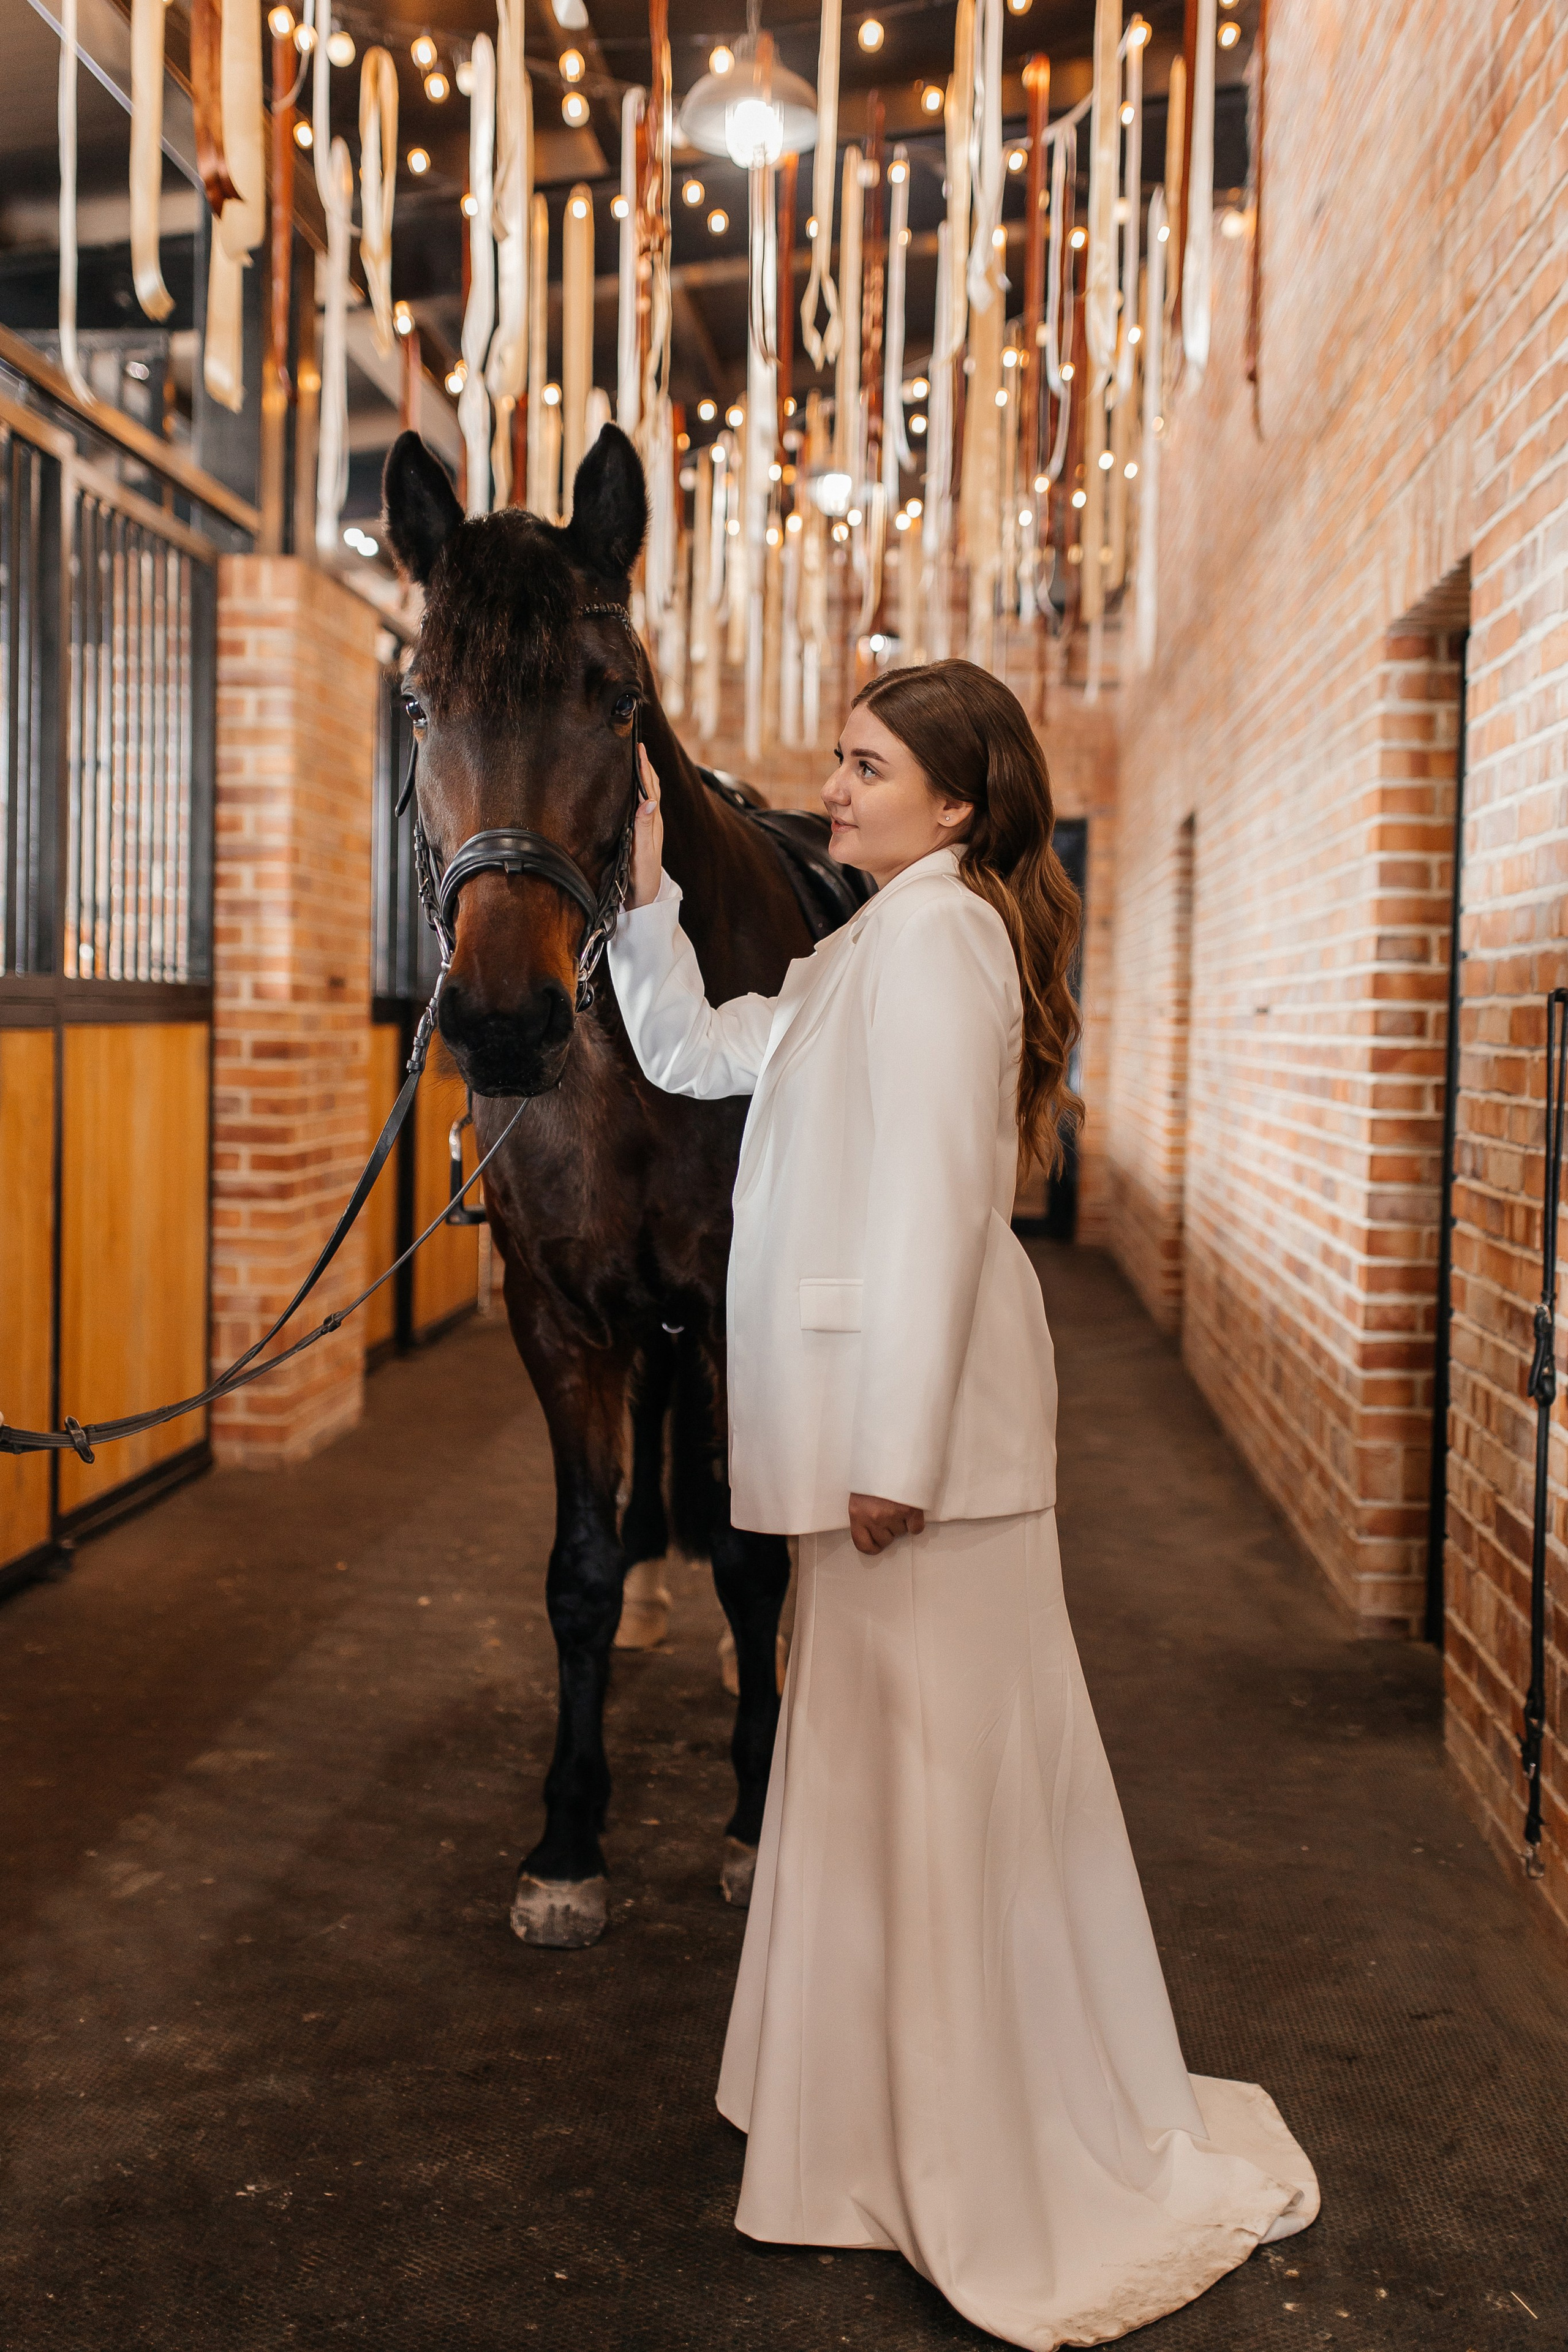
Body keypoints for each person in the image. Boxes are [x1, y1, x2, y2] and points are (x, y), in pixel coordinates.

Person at [606, 659, 1317, 2350]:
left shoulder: (938, 942)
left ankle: (957, 2153)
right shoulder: (876, 938)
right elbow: (705, 1054)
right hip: (883, 1433)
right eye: (837, 760)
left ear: (958, 801)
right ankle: (870, 2130)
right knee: (883, 1786)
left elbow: (938, 1203)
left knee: (936, 1795)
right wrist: (641, 893)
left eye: (863, 766)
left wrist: (893, 1452)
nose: (828, 787)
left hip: (915, 1450)